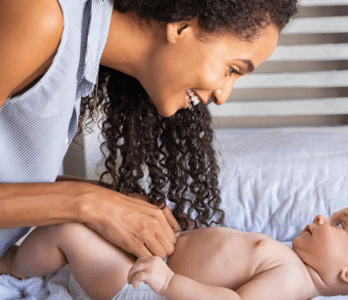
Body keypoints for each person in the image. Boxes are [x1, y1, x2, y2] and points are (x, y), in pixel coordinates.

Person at [0, 0, 298, 259]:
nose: (222, 95)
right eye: (232, 69)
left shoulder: (77, 44)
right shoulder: (42, 16)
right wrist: (92, 205)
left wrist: (114, 201)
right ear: (180, 27)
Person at [0, 207, 348, 300]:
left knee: (66, 227)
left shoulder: (293, 280)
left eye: (339, 224)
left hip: (145, 291)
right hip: (149, 271)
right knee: (91, 224)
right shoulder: (289, 259)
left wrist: (169, 280)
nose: (322, 216)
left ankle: (10, 268)